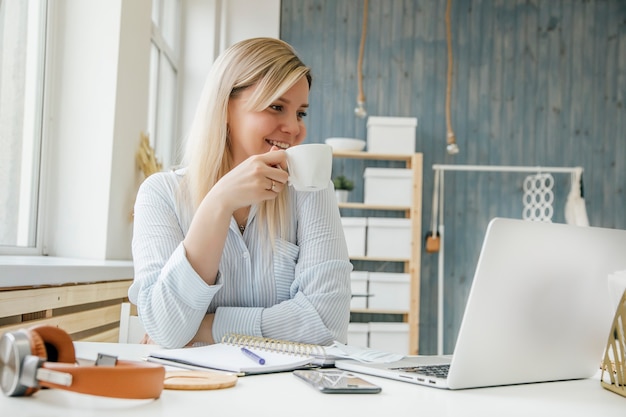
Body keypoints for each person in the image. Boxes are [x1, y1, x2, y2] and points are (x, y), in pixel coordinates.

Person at [129, 37, 352, 349]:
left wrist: (207, 328)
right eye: (277, 107)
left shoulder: (310, 190)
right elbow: (167, 329)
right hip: (195, 390)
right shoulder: (161, 195)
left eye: (301, 113)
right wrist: (218, 203)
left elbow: (327, 326)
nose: (294, 127)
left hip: (287, 392)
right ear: (224, 108)